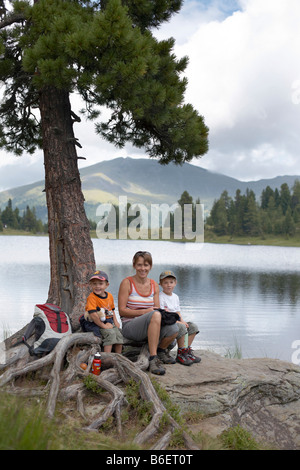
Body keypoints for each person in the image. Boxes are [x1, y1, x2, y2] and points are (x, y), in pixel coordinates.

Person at [118, 251, 178, 375]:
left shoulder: (154, 285)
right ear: (134, 265)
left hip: (150, 324)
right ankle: (153, 358)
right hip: (130, 326)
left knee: (175, 328)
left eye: (146, 265)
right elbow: (121, 311)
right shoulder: (127, 283)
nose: (143, 268)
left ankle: (161, 351)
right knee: (155, 314)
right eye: (139, 265)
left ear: (150, 266)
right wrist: (145, 311)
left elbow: (156, 309)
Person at [159, 270, 201, 366]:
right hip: (167, 323)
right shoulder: (160, 296)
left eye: (171, 282)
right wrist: (180, 323)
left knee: (192, 327)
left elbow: (178, 312)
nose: (169, 285)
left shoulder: (175, 297)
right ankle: (181, 354)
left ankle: (186, 350)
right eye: (165, 283)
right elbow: (163, 314)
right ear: (160, 284)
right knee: (182, 327)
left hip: (176, 321)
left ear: (175, 283)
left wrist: (182, 321)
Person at [83, 270, 123, 353]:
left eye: (100, 284)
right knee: (110, 334)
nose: (97, 286)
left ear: (106, 285)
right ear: (90, 285)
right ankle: (107, 357)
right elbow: (93, 314)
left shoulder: (110, 296)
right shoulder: (92, 297)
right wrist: (103, 326)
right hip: (96, 322)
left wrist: (116, 322)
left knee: (119, 336)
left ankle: (119, 357)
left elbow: (112, 310)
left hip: (109, 321)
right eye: (94, 284)